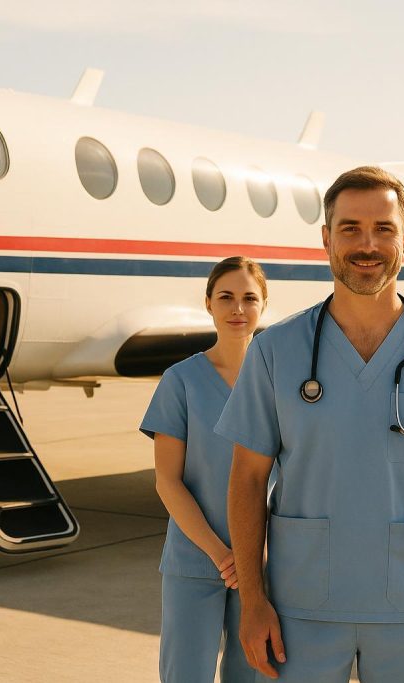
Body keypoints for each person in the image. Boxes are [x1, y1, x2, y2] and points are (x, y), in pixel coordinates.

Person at [214, 166, 404, 682]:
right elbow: (247, 477)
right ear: (326, 238)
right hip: (299, 607)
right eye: (350, 228)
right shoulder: (275, 350)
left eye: (384, 229)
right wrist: (253, 601)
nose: (367, 244)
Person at [140, 256, 269, 683]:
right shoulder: (181, 380)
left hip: (266, 562)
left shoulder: (279, 383)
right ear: (208, 303)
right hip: (196, 558)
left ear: (263, 304)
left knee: (253, 673)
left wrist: (256, 556)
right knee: (185, 675)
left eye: (249, 298)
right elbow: (167, 480)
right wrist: (221, 555)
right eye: (226, 297)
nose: (237, 309)